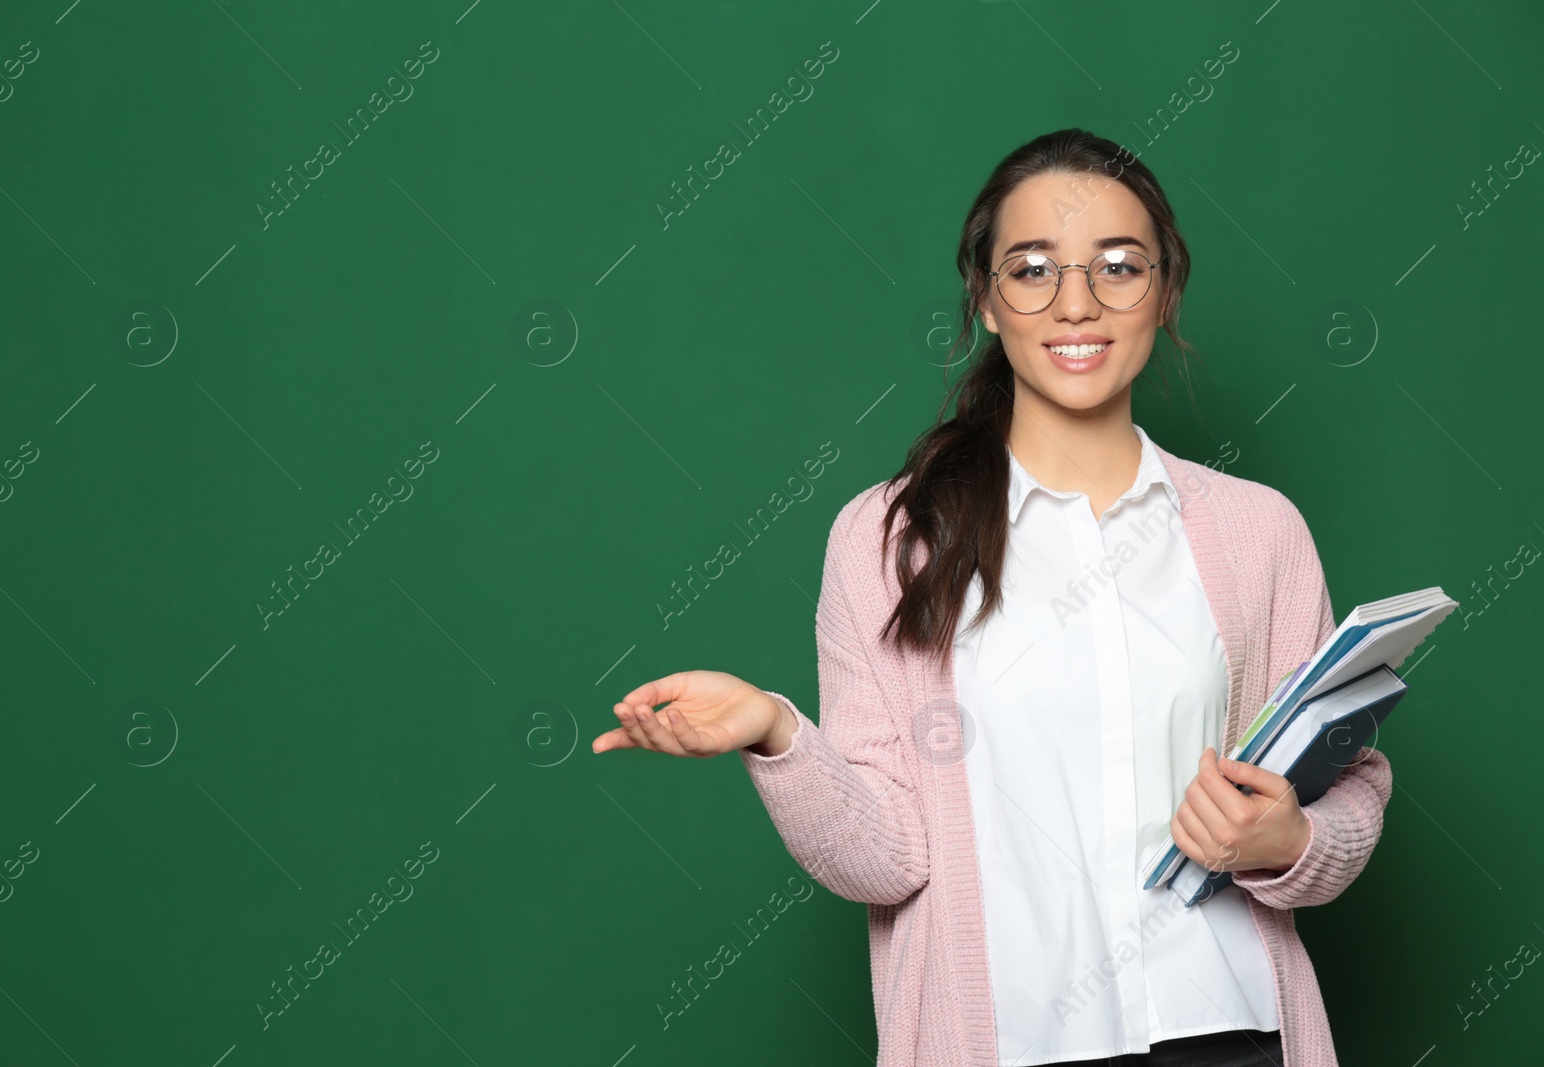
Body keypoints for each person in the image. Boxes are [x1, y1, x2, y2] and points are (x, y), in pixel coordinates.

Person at [590, 128, 1391, 1067]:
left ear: (1166, 290)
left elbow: (1351, 783)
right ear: (985, 298)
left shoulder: (1258, 531)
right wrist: (775, 730)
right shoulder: (889, 540)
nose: (1076, 303)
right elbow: (888, 858)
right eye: (1033, 269)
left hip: (1230, 1032)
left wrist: (1289, 834)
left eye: (1118, 267)